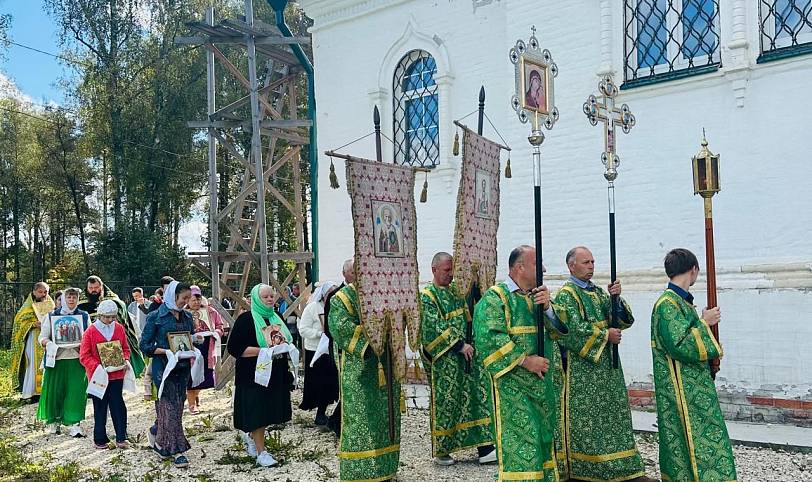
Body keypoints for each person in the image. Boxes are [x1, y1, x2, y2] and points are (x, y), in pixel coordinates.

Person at [552, 246, 649, 482]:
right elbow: (569, 331)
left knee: (613, 416)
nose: (591, 266)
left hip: (607, 368)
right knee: (588, 421)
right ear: (571, 266)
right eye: (586, 262)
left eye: (593, 262)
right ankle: (587, 468)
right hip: (583, 371)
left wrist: (615, 299)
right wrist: (606, 335)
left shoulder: (597, 292)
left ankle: (620, 464)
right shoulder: (567, 294)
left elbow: (622, 320)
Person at [473, 245, 568, 482]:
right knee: (522, 441)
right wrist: (526, 361)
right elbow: (489, 338)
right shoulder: (496, 298)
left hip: (542, 385)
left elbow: (563, 332)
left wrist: (548, 309)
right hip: (512, 387)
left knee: (543, 438)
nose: (544, 269)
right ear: (519, 267)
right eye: (538, 264)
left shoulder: (538, 297)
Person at [651, 248, 736, 482]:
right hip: (680, 390)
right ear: (694, 270)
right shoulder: (667, 304)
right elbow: (679, 345)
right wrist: (704, 323)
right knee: (690, 438)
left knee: (706, 436)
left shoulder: (681, 302)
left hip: (694, 385)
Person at [420, 252, 496, 466]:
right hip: (447, 360)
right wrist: (458, 344)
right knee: (449, 402)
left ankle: (485, 447)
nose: (451, 275)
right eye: (447, 270)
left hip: (469, 356)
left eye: (453, 270)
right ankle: (444, 450)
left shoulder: (457, 291)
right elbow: (431, 326)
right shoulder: (427, 296)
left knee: (476, 398)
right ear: (434, 269)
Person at [329, 275, 401, 482]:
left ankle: (386, 469)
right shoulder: (342, 298)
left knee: (386, 419)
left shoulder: (383, 294)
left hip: (386, 366)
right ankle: (360, 473)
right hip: (359, 370)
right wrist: (375, 333)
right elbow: (341, 328)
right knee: (361, 419)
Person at [227, 284, 294, 468]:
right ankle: (261, 452)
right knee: (258, 412)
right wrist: (264, 351)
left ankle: (253, 439)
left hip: (275, 373)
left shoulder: (276, 317)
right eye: (265, 297)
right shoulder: (246, 320)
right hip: (253, 375)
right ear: (256, 299)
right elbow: (234, 348)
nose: (270, 299)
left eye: (272, 296)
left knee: (267, 410)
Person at [139, 281, 197, 468]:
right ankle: (176, 450)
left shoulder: (187, 316)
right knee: (168, 407)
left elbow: (190, 338)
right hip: (163, 369)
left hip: (183, 368)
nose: (186, 302)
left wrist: (196, 340)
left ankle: (158, 438)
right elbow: (145, 345)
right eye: (183, 298)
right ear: (173, 296)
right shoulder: (156, 316)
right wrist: (165, 351)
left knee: (176, 408)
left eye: (189, 298)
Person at [37, 288, 90, 436]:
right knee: (55, 390)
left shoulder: (84, 316)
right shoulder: (51, 316)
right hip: (57, 359)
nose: (71, 300)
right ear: (63, 299)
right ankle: (54, 421)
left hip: (76, 360)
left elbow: (89, 335)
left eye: (74, 297)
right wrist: (49, 344)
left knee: (76, 391)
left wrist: (83, 344)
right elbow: (42, 337)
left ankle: (74, 423)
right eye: (69, 297)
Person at [80, 299, 131, 449]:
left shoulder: (119, 328)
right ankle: (100, 438)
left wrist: (125, 360)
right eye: (107, 317)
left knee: (118, 404)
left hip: (116, 374)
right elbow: (84, 355)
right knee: (100, 406)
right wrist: (97, 367)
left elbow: (125, 349)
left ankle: (121, 436)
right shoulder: (90, 331)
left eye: (113, 317)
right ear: (100, 315)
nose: (110, 320)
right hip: (98, 376)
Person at [79, 276, 145, 378]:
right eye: (91, 288)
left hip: (111, 340)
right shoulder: (80, 304)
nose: (93, 290)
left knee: (113, 373)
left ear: (101, 286)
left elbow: (121, 313)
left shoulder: (114, 300)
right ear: (86, 288)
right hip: (92, 340)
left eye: (96, 288)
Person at [297, 281, 339, 425]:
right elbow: (303, 329)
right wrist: (319, 333)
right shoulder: (312, 308)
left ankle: (325, 410)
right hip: (315, 351)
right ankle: (319, 413)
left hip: (330, 351)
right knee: (319, 383)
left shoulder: (335, 308)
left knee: (330, 383)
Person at [323, 258, 355, 436]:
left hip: (358, 351)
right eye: (352, 272)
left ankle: (337, 422)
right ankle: (337, 424)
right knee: (348, 389)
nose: (356, 276)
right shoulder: (337, 296)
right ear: (344, 274)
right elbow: (330, 327)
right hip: (342, 349)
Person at [10, 282, 55, 402]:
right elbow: (19, 322)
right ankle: (32, 392)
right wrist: (33, 324)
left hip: (48, 339)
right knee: (33, 365)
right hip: (33, 339)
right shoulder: (28, 306)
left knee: (47, 364)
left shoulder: (50, 304)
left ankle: (47, 391)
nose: (43, 294)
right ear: (34, 292)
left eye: (46, 292)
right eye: (41, 292)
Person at [185, 286, 224, 413]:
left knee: (204, 377)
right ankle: (191, 404)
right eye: (193, 300)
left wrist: (215, 332)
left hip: (207, 347)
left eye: (198, 299)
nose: (196, 302)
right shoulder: (183, 314)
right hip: (191, 349)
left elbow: (220, 326)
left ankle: (195, 396)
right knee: (191, 377)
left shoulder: (210, 311)